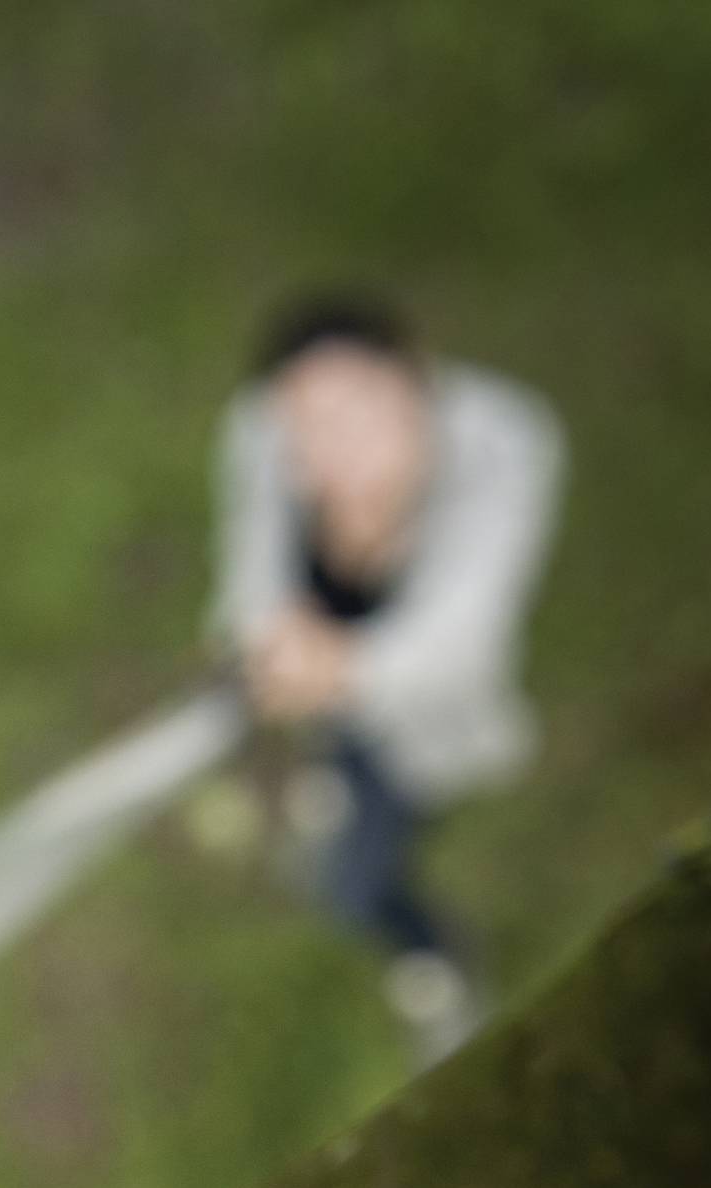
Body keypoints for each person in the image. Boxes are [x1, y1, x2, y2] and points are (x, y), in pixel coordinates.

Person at [208, 291, 565, 1065]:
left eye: (359, 413)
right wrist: (265, 638)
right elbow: (251, 559)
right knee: (333, 774)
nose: (333, 456)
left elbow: (462, 643)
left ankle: (436, 961)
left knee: (350, 887)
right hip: (329, 700)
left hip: (423, 725)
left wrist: (340, 669)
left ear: (417, 382)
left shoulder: (507, 443)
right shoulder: (258, 431)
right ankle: (334, 784)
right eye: (308, 432)